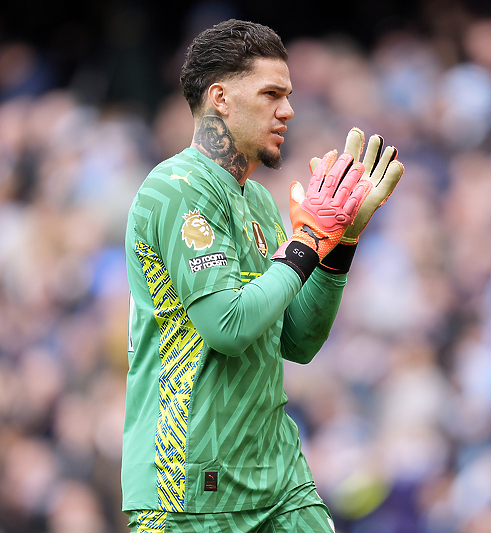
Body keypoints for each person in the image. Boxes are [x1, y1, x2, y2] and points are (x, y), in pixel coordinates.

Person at [122, 19, 403, 533]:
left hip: (277, 478)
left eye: (289, 94)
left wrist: (337, 245)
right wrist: (305, 242)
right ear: (221, 98)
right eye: (272, 94)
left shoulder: (257, 201)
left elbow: (296, 339)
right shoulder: (175, 187)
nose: (288, 110)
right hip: (188, 487)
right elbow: (228, 327)